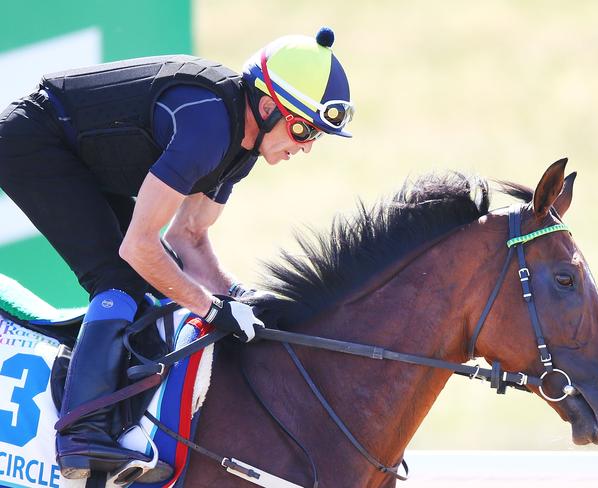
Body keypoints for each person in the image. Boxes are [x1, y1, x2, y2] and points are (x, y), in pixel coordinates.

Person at [0, 27, 353, 481]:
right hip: (34, 144)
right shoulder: (208, 130)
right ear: (267, 107)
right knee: (120, 275)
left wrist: (241, 301)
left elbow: (188, 240)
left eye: (316, 137)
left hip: (73, 151)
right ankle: (81, 434)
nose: (304, 147)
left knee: (152, 280)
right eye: (302, 128)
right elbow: (139, 247)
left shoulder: (242, 149)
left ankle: (112, 420)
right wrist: (211, 308)